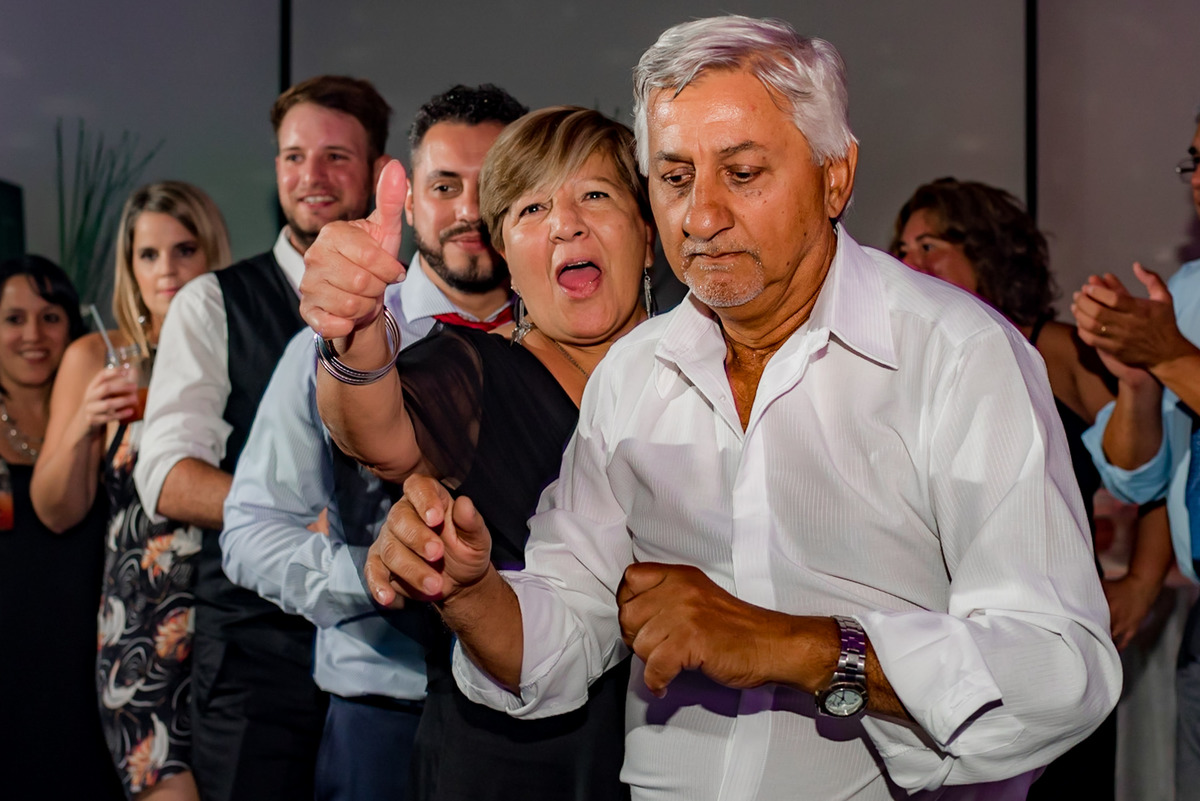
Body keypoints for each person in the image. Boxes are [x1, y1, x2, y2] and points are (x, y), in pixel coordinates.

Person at [351, 16, 1122, 799]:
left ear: (835, 176)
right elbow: (563, 633)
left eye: (743, 172)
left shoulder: (955, 355)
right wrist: (469, 590)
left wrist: (800, 648)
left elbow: (1063, 668)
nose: (701, 215)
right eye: (675, 177)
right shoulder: (636, 376)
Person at [301, 105, 657, 800]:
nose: (565, 224)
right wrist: (356, 330)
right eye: (531, 209)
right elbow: (377, 433)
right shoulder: (474, 369)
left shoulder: (712, 375)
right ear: (507, 260)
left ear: (648, 235)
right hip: (509, 763)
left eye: (594, 194)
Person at [221, 84, 526, 801]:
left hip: (541, 721)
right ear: (409, 200)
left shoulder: (577, 342)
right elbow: (249, 530)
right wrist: (368, 575)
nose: (468, 209)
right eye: (444, 186)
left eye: (492, 185)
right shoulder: (330, 339)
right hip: (381, 720)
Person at [133, 75, 391, 801]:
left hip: (382, 664)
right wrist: (287, 521)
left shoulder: (408, 306)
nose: (312, 176)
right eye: (293, 156)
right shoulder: (212, 303)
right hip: (257, 658)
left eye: (336, 156)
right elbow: (166, 473)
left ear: (378, 171)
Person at [891, 177, 1173, 800]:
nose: (909, 264)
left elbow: (1157, 467)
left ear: (986, 250)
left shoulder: (1057, 349)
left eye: (929, 246)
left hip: (1049, 633)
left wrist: (1142, 582)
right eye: (903, 250)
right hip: (940, 635)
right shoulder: (914, 358)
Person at [31, 182, 230, 799]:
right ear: (130, 266)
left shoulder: (238, 346)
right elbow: (56, 511)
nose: (166, 270)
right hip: (144, 627)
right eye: (148, 254)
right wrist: (85, 423)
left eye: (184, 249)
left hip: (235, 621)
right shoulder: (101, 355)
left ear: (211, 252)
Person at [1073, 109, 1200, 800]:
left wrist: (1171, 357)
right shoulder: (1187, 293)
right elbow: (1141, 476)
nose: (1199, 179)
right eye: (1195, 161)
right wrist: (1137, 384)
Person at [0, 255, 124, 799]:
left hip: (84, 653)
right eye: (14, 319)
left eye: (50, 317)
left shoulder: (103, 410)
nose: (33, 335)